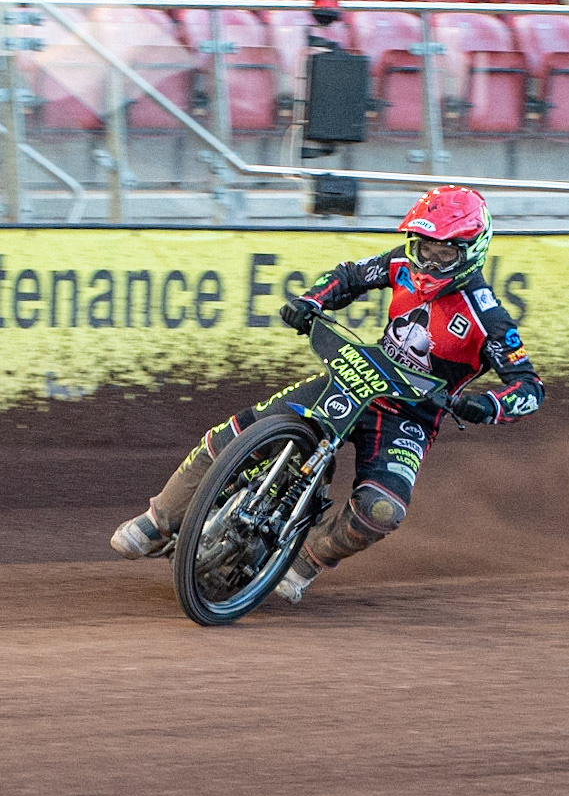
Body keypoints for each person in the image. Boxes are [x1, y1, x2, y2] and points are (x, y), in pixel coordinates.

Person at [110, 185, 544, 603]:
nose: (428, 259)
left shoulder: (489, 318)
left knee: (382, 510)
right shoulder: (403, 264)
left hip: (411, 416)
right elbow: (352, 276)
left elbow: (530, 388)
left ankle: (306, 559)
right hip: (356, 374)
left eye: (443, 251)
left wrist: (486, 405)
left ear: (472, 251)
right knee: (238, 432)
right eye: (422, 245)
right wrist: (311, 301)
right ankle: (158, 521)